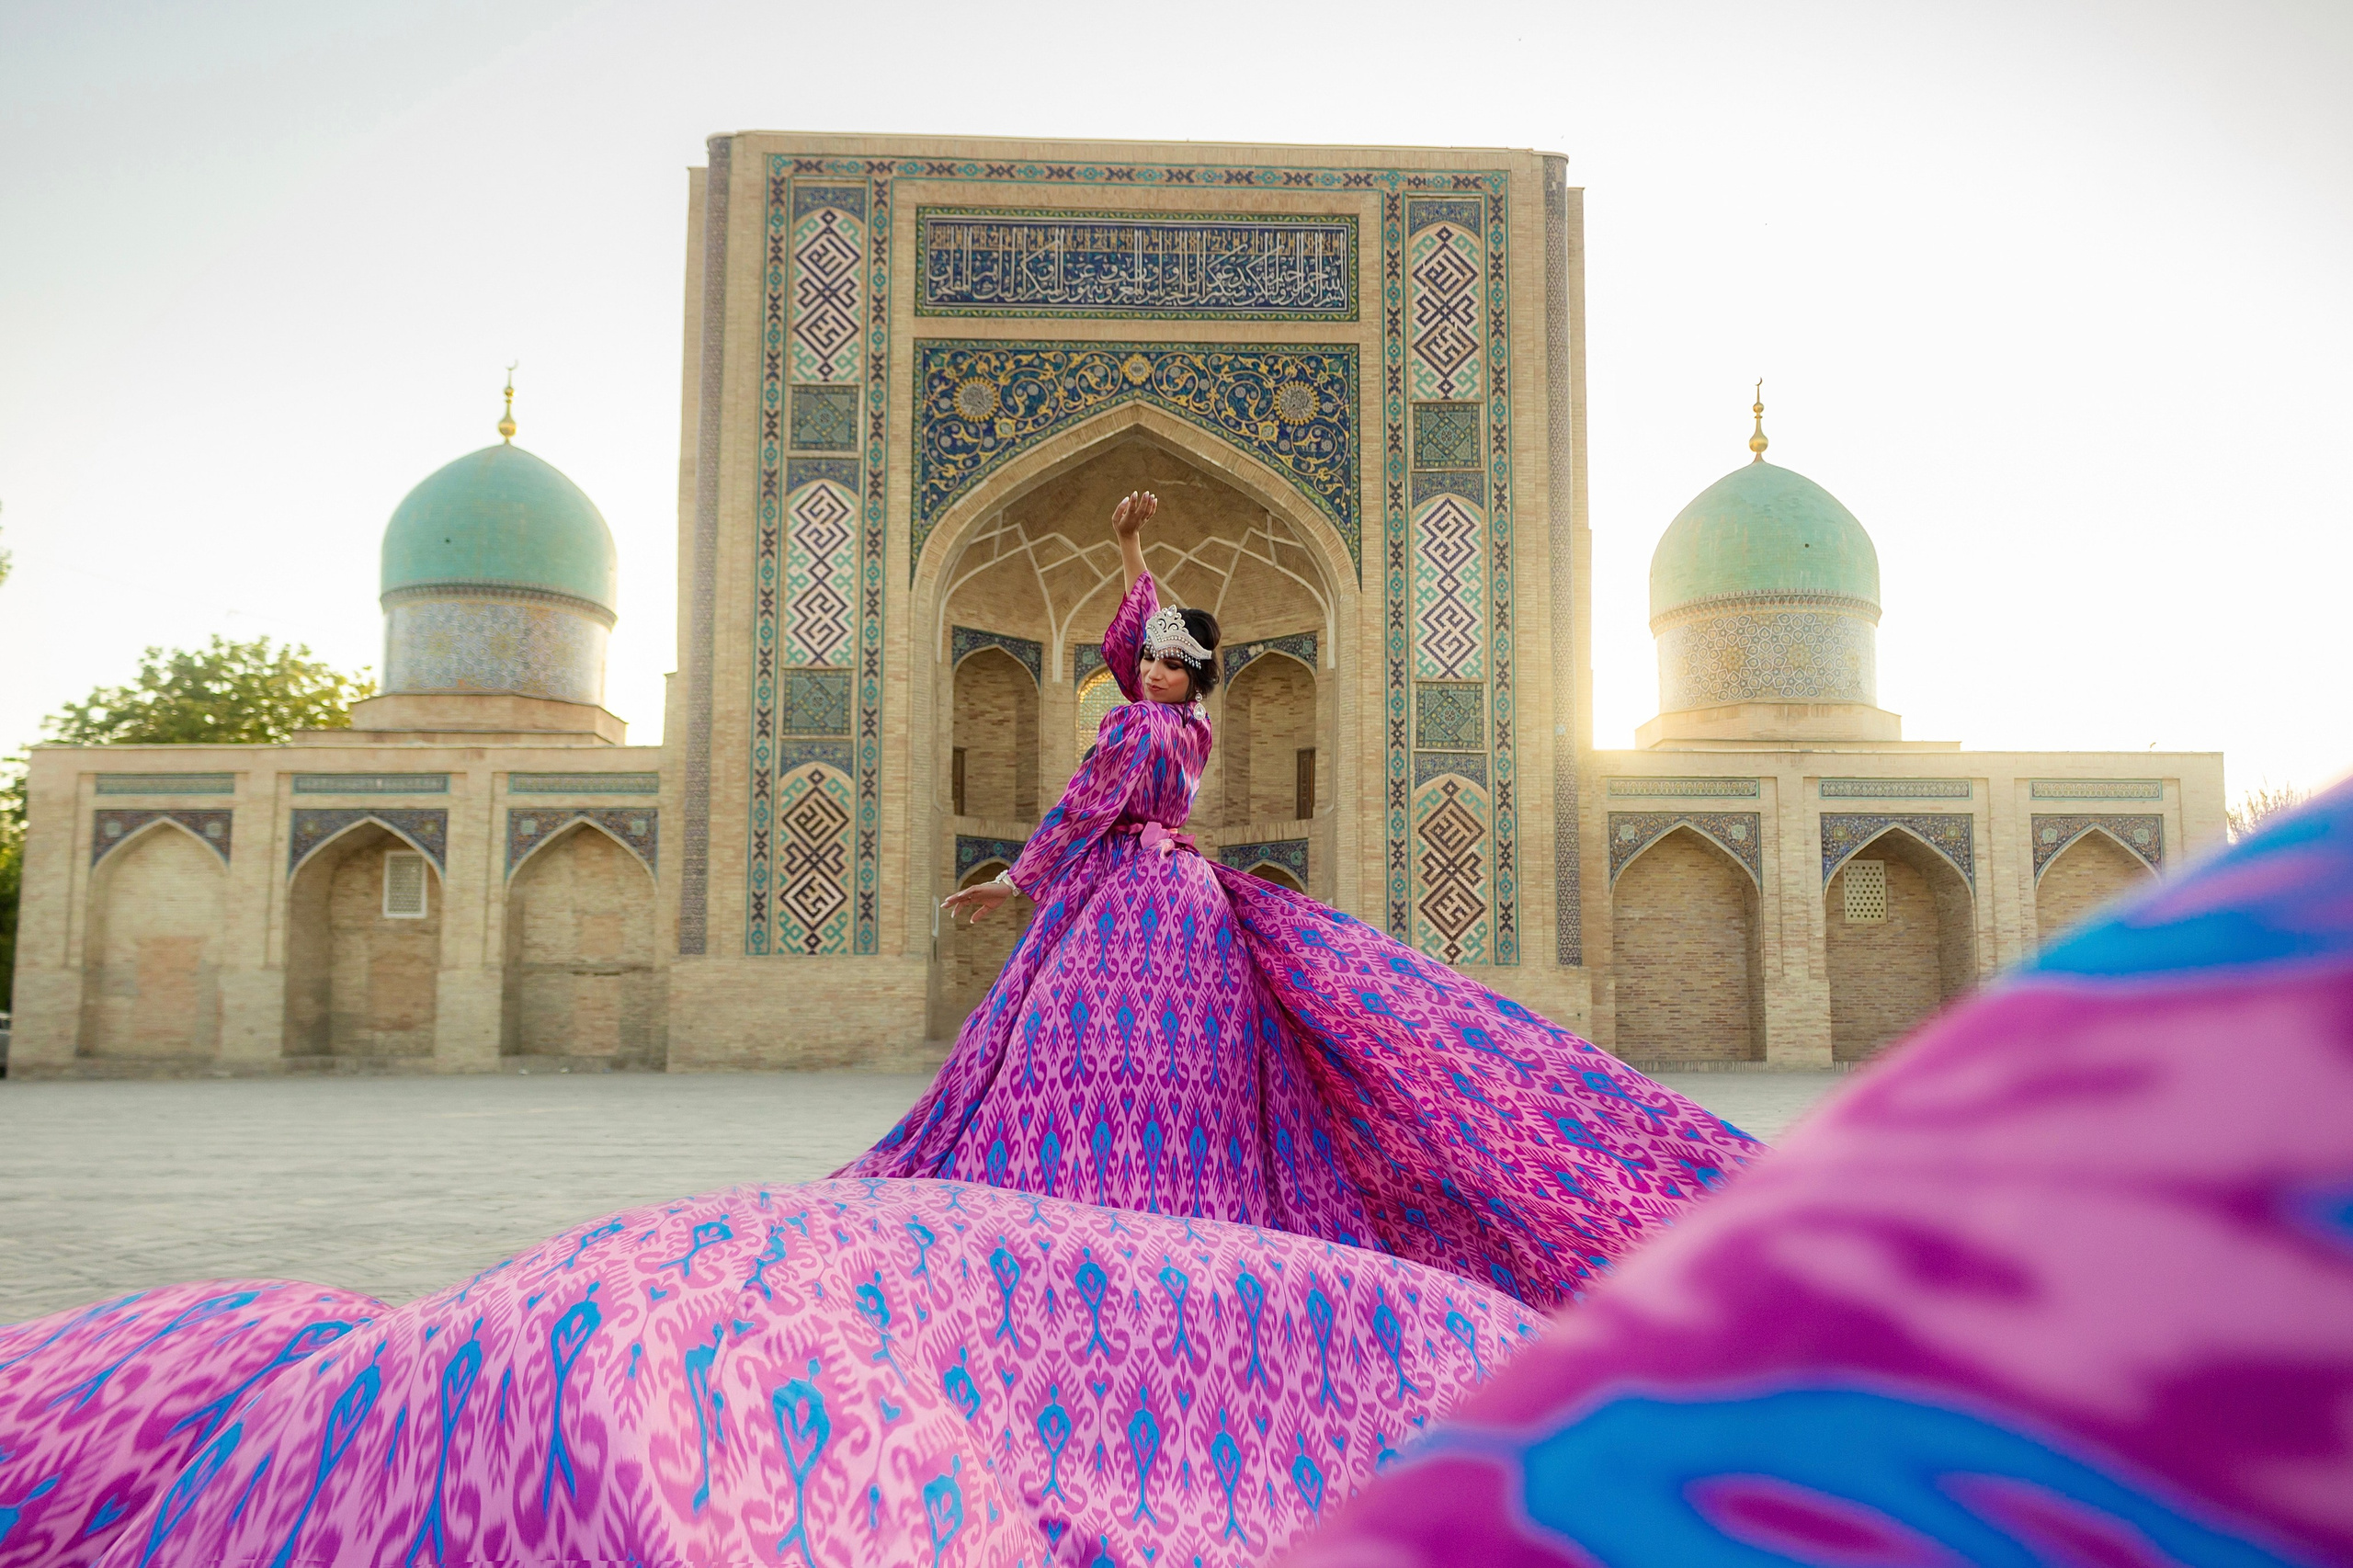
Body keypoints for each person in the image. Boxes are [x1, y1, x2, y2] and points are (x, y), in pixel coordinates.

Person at [844, 491, 1759, 1308]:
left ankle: (1075, 1195)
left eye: (1170, 665)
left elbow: (1086, 801)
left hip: (1128, 893)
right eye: (1151, 663)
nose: (1153, 671)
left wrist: (1012, 880)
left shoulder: (1135, 726)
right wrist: (1129, 550)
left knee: (1073, 1036)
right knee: (1186, 1048)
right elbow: (1132, 644)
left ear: (1188, 680)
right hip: (1182, 892)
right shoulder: (1192, 728)